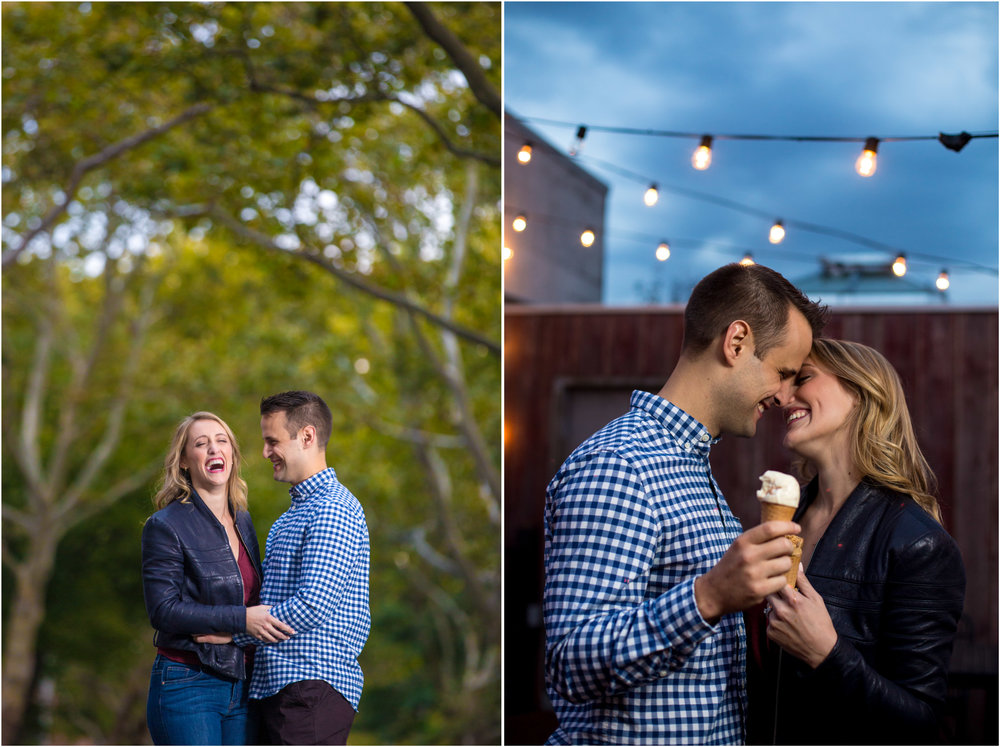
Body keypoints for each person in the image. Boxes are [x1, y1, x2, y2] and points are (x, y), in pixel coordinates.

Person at [543, 263, 830, 744]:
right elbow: (569, 664)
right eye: (782, 373)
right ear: (736, 342)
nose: (785, 396)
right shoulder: (620, 465)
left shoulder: (689, 467)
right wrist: (710, 596)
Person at [747, 339, 966, 744]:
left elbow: (920, 724)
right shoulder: (788, 521)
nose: (783, 397)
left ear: (862, 393)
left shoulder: (919, 544)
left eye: (804, 378)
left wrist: (827, 654)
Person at [142, 412, 294, 745]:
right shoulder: (165, 526)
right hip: (187, 683)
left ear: (232, 454)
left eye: (221, 440)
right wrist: (241, 620)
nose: (214, 449)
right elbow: (163, 611)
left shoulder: (243, 519)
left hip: (243, 685)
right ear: (184, 461)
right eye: (201, 443)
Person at [232, 390, 371, 745]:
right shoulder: (289, 518)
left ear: (307, 436)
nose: (265, 453)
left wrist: (231, 631)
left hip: (310, 690)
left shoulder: (333, 508)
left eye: (272, 441)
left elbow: (313, 604)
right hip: (281, 689)